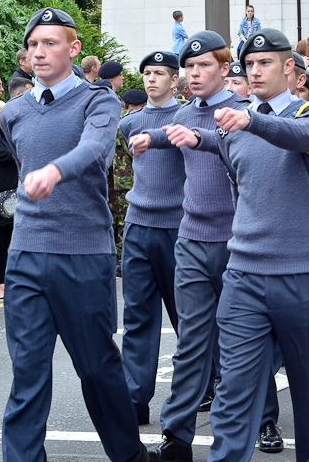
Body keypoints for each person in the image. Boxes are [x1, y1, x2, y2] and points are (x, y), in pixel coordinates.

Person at [0, 6, 147, 462]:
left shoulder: (97, 99)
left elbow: (95, 148)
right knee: (27, 374)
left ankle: (129, 456)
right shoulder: (14, 113)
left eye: (51, 43)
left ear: (74, 48)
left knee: (98, 370)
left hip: (82, 255)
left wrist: (54, 172)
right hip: (24, 255)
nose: (39, 53)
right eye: (34, 45)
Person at [208, 27, 309, 462]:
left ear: (290, 69)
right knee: (234, 393)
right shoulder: (232, 128)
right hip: (243, 275)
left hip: (303, 273)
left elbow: (304, 139)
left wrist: (253, 120)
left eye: (265, 64)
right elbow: (240, 187)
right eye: (249, 65)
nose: (255, 71)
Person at [147, 31, 237, 462]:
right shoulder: (185, 113)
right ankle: (177, 435)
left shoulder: (244, 112)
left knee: (241, 342)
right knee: (192, 343)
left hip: (239, 244)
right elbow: (171, 132)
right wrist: (150, 137)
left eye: (204, 66)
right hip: (192, 240)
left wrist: (197, 138)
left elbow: (226, 142)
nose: (194, 74)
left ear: (224, 68)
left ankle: (266, 420)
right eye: (189, 67)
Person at [117, 50, 183, 426]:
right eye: (147, 73)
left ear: (175, 80)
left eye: (159, 73)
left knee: (186, 316)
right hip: (139, 225)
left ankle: (201, 389)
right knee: (139, 314)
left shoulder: (185, 118)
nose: (151, 79)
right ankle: (135, 397)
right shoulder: (130, 123)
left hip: (178, 227)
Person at [0, 99, 17, 300]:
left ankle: (2, 279)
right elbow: (5, 156)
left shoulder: (4, 136)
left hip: (9, 196)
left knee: (6, 238)